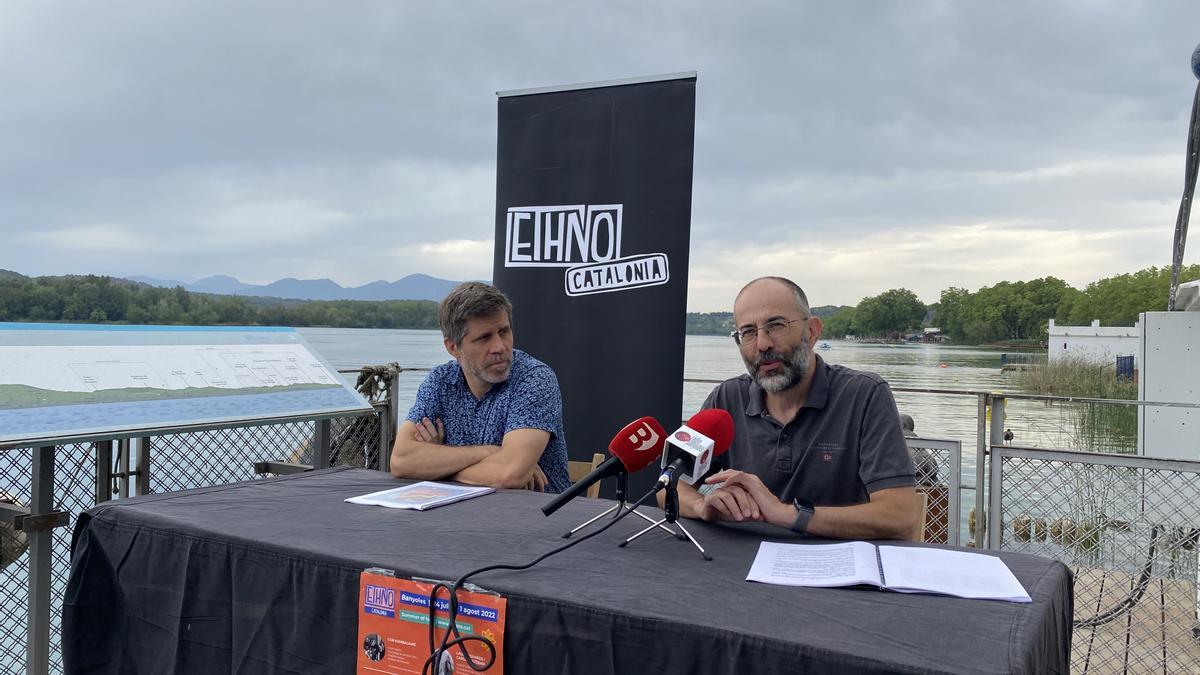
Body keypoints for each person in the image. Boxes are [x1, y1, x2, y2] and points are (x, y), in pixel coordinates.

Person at [673, 276, 919, 540]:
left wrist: (784, 513)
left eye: (776, 326)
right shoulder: (726, 398)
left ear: (812, 332)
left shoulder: (865, 395)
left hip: (840, 568)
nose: (762, 344)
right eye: (748, 332)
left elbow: (900, 517)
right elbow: (668, 484)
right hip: (742, 566)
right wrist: (702, 506)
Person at [389, 282, 571, 493]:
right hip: (459, 515)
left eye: (504, 331)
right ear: (453, 347)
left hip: (536, 517)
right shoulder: (440, 381)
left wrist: (437, 467)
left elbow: (508, 474)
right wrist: (488, 452)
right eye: (484, 338)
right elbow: (401, 461)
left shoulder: (534, 378)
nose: (500, 347)